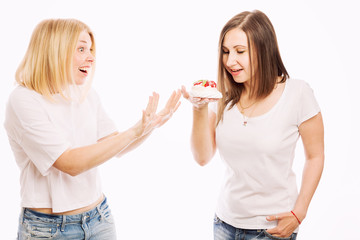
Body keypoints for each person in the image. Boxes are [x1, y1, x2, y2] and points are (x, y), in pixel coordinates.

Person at [4, 18, 181, 240]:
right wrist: (135, 131)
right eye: (81, 48)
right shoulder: (24, 100)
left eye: (90, 49)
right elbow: (69, 163)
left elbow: (116, 145)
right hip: (48, 229)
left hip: (99, 219)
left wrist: (149, 127)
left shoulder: (85, 94)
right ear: (55, 50)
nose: (91, 57)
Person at [181, 10, 324, 240]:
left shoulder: (297, 94)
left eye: (240, 51)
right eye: (226, 52)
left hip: (272, 229)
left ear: (263, 50)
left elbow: (315, 157)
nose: (229, 61)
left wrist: (299, 212)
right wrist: (198, 109)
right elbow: (202, 157)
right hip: (224, 224)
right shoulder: (223, 97)